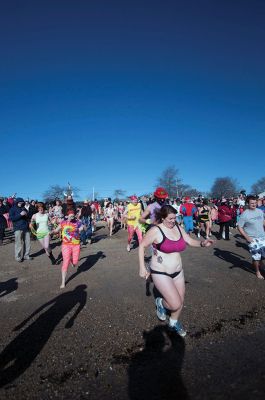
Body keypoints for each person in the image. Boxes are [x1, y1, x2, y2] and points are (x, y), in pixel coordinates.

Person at [139, 205, 214, 337]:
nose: (173, 221)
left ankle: (173, 323)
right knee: (175, 304)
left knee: (180, 301)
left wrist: (202, 243)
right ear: (162, 218)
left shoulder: (178, 228)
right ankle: (160, 302)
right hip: (160, 271)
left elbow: (190, 241)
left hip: (178, 271)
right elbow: (142, 246)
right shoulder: (156, 230)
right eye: (170, 219)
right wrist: (142, 267)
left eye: (175, 218)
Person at [53, 210, 84, 288]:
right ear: (67, 216)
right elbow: (56, 230)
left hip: (76, 245)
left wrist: (81, 228)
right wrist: (52, 232)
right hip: (66, 245)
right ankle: (63, 282)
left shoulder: (78, 222)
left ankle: (72, 260)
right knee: (65, 263)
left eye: (73, 216)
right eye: (70, 216)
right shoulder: (63, 222)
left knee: (75, 262)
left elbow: (83, 228)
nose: (72, 217)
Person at [238, 195, 265, 280]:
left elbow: (263, 221)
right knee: (256, 257)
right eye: (252, 203)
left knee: (262, 255)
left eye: (255, 203)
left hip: (262, 237)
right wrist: (247, 237)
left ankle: (261, 264)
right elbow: (239, 227)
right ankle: (257, 271)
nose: (254, 204)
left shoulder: (260, 211)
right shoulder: (245, 214)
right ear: (248, 204)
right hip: (252, 239)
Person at [9, 197, 32, 262]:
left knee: (27, 243)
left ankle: (26, 255)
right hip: (18, 228)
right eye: (19, 203)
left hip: (26, 228)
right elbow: (11, 218)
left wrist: (27, 214)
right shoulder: (12, 209)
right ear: (16, 202)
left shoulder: (24, 208)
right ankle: (18, 257)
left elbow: (28, 216)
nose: (21, 204)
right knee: (18, 243)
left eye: (22, 203)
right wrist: (20, 215)